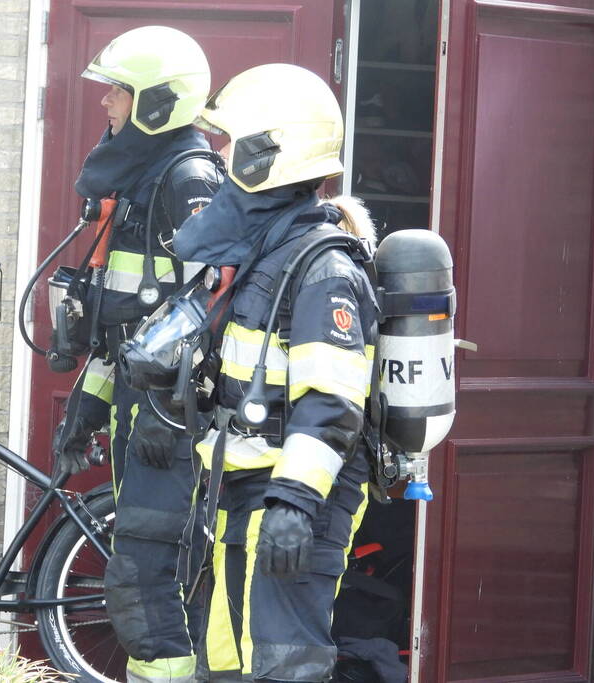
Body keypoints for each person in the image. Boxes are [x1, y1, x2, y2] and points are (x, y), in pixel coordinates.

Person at [170, 63, 378, 682]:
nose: (219, 155)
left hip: (293, 501)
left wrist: (294, 502)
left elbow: (333, 401)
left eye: (232, 143)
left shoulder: (323, 270)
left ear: (270, 155)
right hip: (244, 492)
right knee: (228, 664)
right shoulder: (266, 252)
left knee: (284, 665)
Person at [52, 25, 222, 683]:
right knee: (139, 571)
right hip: (142, 409)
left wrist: (165, 408)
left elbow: (213, 305)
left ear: (157, 102)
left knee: (149, 574)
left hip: (169, 420)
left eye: (118, 90)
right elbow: (125, 328)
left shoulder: (187, 179)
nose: (105, 102)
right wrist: (86, 409)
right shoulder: (142, 177)